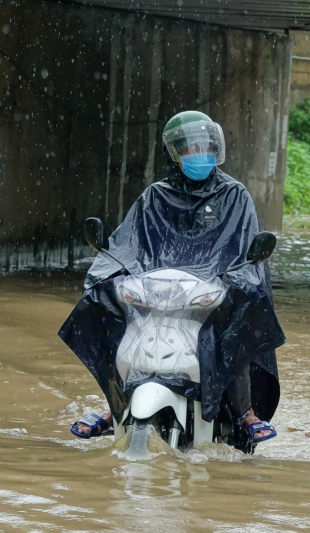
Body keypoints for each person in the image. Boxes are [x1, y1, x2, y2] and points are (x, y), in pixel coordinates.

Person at [60, 111, 283, 444]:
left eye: (205, 146)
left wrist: (237, 282)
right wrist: (105, 276)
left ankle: (244, 412)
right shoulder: (154, 197)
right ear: (174, 155)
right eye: (190, 149)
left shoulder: (235, 196)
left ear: (215, 147)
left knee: (237, 319)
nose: (199, 154)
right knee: (109, 312)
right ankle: (114, 406)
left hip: (211, 293)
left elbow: (245, 255)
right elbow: (126, 246)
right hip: (159, 294)